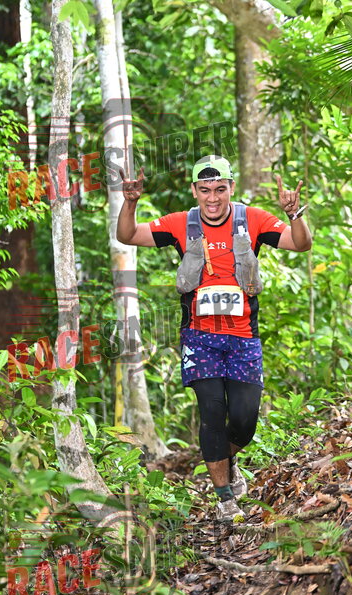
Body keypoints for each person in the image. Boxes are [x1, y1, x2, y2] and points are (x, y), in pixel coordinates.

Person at [117, 155, 312, 522]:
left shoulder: (252, 220)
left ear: (231, 188)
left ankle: (226, 459)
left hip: (243, 336)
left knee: (244, 421)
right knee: (211, 411)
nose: (213, 198)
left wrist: (294, 214)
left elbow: (300, 244)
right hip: (200, 336)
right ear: (194, 191)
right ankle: (225, 500)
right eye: (205, 190)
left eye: (220, 189)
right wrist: (130, 203)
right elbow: (127, 236)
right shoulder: (181, 223)